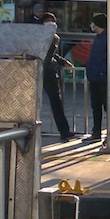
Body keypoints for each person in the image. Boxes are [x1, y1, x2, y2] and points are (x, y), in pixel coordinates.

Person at [39, 12, 74, 141]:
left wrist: (63, 62)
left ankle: (64, 131)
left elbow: (51, 54)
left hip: (47, 72)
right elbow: (47, 55)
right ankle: (63, 130)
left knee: (56, 102)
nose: (51, 24)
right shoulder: (42, 36)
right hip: (41, 71)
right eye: (48, 21)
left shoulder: (54, 37)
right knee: (36, 102)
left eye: (53, 22)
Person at [85, 12, 110, 141]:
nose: (91, 25)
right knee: (96, 106)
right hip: (94, 76)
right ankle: (96, 132)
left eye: (93, 22)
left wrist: (103, 72)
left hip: (104, 78)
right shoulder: (98, 37)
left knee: (108, 106)